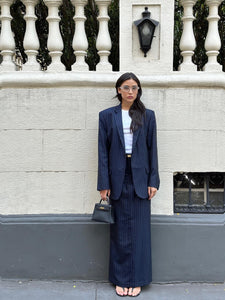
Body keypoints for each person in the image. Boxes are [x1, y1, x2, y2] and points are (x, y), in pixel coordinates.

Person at [97, 72, 160, 297]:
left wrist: (153, 180)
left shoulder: (147, 116)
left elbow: (153, 150)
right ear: (118, 90)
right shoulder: (106, 116)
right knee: (120, 231)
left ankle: (138, 279)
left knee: (140, 232)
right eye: (126, 87)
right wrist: (104, 183)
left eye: (134, 87)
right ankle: (121, 279)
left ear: (138, 90)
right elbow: (102, 152)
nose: (131, 91)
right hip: (117, 177)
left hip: (140, 178)